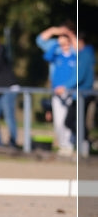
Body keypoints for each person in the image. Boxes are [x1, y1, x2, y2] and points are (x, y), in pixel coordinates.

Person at [36, 24, 83, 156]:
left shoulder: (75, 55)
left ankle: (70, 144)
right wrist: (57, 38)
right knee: (58, 122)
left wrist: (70, 35)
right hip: (56, 92)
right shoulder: (57, 54)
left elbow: (79, 49)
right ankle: (63, 145)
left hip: (71, 93)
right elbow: (45, 53)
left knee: (69, 121)